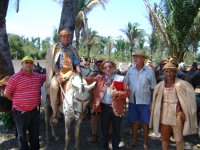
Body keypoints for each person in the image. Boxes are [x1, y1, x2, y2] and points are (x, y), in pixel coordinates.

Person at [150, 61, 198, 150]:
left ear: (175, 72)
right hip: (164, 116)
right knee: (164, 139)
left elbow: (190, 97)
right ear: (163, 72)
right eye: (166, 71)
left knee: (179, 139)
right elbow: (156, 100)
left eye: (171, 71)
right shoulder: (160, 86)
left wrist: (184, 111)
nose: (169, 74)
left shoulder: (182, 84)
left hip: (177, 115)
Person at [85, 60, 130, 150]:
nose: (108, 69)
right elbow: (87, 79)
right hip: (104, 108)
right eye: (105, 68)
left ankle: (115, 147)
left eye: (109, 67)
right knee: (103, 130)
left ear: (113, 68)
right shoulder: (99, 78)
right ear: (103, 70)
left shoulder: (120, 78)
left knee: (116, 130)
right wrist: (76, 77)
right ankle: (104, 147)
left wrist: (117, 93)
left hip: (117, 109)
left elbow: (127, 93)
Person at [4, 56, 46, 150]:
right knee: (22, 136)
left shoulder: (37, 76)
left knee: (35, 135)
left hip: (34, 111)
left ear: (33, 65)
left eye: (30, 62)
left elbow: (47, 76)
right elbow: (7, 93)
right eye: (26, 62)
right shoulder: (15, 78)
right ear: (22, 64)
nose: (28, 64)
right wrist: (15, 100)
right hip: (20, 112)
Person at [45, 28, 81, 123]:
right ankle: (55, 112)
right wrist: (57, 75)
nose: (66, 38)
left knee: (78, 87)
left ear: (70, 38)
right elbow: (53, 63)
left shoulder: (72, 49)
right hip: (59, 73)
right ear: (60, 38)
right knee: (54, 87)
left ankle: (78, 110)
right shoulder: (55, 49)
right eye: (63, 36)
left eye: (68, 36)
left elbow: (76, 63)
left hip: (71, 73)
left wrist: (79, 74)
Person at [125, 50, 156, 149]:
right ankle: (134, 141)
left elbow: (153, 88)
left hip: (145, 102)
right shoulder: (131, 70)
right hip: (132, 101)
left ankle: (145, 142)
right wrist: (125, 91)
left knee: (145, 123)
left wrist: (152, 102)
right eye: (135, 57)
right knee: (134, 122)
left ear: (143, 59)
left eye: (138, 57)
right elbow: (125, 83)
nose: (136, 59)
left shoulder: (150, 71)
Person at [87, 58, 104, 142]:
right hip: (95, 100)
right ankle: (94, 135)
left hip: (105, 102)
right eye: (98, 65)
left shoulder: (109, 75)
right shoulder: (94, 75)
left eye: (101, 65)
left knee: (107, 119)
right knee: (94, 118)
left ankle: (108, 135)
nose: (100, 67)